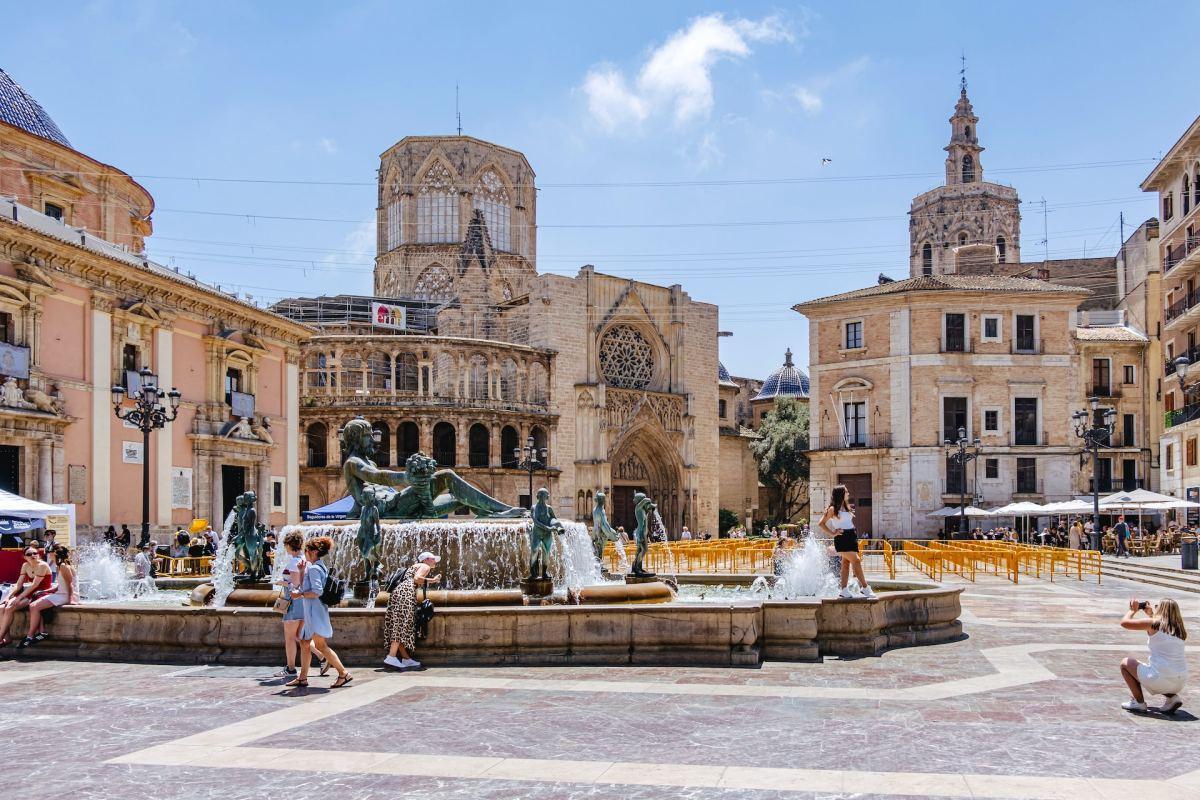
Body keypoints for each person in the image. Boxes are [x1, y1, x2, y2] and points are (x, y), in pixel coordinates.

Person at [288, 536, 351, 689]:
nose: (305, 553)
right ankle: (302, 678)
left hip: (315, 612)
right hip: (312, 612)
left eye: (307, 550)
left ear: (314, 552)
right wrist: (302, 571)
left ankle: (343, 674)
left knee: (321, 646)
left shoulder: (315, 568)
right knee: (304, 643)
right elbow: (306, 585)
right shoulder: (317, 566)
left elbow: (316, 591)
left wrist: (300, 595)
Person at [1119, 598, 1187, 714]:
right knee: (1159, 672)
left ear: (1161, 609)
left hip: (1160, 678)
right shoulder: (1179, 629)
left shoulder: (1154, 624)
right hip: (1180, 681)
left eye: (1157, 606)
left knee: (1125, 663)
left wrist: (1132, 610)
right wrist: (1151, 614)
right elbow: (1159, 631)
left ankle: (1138, 702)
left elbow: (1124, 623)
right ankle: (1172, 698)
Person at [272, 531, 321, 679]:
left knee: (290, 637)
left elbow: (295, 584)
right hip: (303, 603)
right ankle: (322, 657)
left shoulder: (294, 562)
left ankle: (291, 668)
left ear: (288, 545)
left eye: (285, 545)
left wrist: (281, 582)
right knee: (300, 636)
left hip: (294, 602)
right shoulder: (304, 560)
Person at [383, 551, 441, 670]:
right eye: (433, 559)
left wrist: (430, 581)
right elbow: (417, 579)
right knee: (401, 625)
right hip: (406, 594)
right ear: (425, 560)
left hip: (398, 593)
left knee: (399, 623)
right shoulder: (425, 566)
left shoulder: (414, 566)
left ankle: (406, 658)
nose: (435, 561)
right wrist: (432, 580)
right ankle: (391, 656)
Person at [817, 484, 875, 600]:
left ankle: (843, 590)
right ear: (841, 494)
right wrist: (833, 533)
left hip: (851, 536)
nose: (848, 493)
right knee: (856, 561)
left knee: (846, 564)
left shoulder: (846, 506)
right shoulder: (833, 509)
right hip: (842, 538)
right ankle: (865, 587)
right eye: (846, 491)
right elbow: (821, 523)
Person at [20, 544, 78, 647]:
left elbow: (70, 585)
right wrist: (45, 591)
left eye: (49, 552)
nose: (47, 554)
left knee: (34, 606)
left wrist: (70, 600)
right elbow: (60, 586)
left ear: (54, 553)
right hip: (61, 593)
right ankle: (40, 633)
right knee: (35, 603)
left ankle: (30, 635)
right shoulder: (60, 565)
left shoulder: (64, 566)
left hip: (65, 595)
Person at [0, 548, 52, 647]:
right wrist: (9, 596)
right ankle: (7, 638)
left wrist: (19, 598)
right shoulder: (25, 565)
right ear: (24, 557)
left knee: (9, 608)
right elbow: (18, 585)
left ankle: (0, 638)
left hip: (40, 593)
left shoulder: (42, 565)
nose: (33, 555)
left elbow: (34, 585)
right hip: (29, 592)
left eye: (35, 553)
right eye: (29, 554)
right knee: (1, 608)